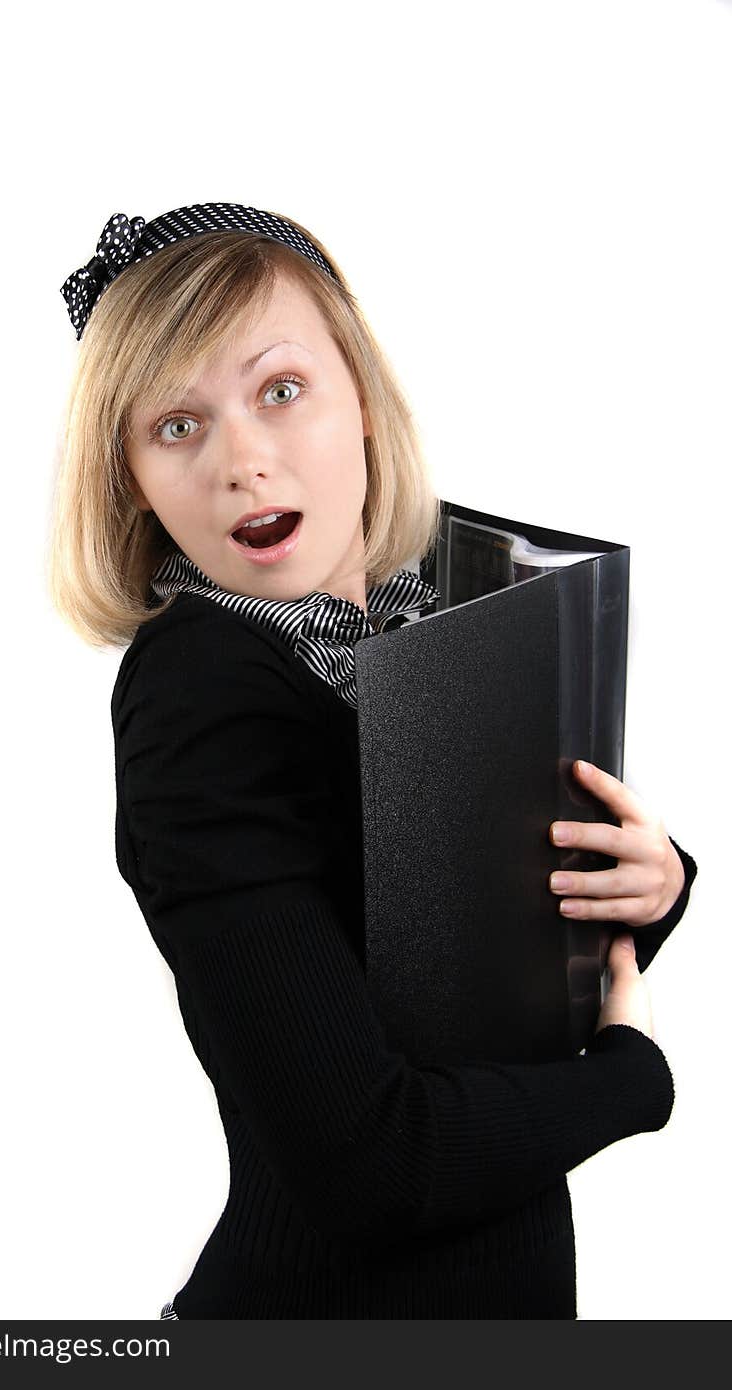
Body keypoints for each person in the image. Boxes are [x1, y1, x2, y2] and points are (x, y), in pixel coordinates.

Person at [49, 204, 698, 1319]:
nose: (242, 461)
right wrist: (627, 1086)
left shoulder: (447, 595)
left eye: (279, 389)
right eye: (175, 426)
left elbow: (473, 954)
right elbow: (370, 1164)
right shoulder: (198, 701)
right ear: (132, 482)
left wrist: (652, 880)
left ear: (359, 389)